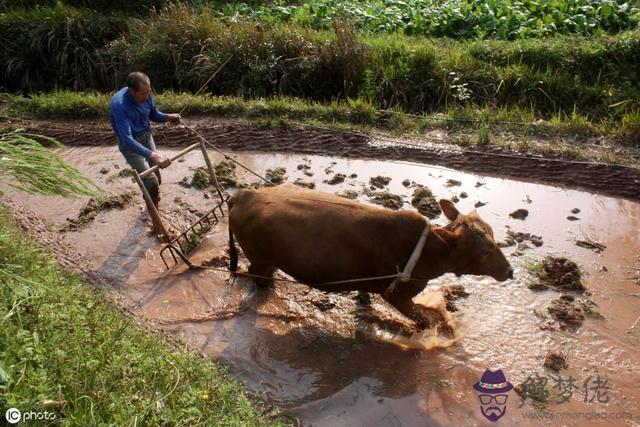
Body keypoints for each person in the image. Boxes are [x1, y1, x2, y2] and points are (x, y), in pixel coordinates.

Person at [109, 71, 181, 208]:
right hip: (130, 145)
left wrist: (168, 117)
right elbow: (127, 139)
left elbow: (153, 114)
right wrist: (153, 155)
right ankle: (155, 218)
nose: (147, 96)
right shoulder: (119, 106)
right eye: (143, 94)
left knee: (156, 174)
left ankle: (155, 205)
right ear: (132, 91)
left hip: (146, 136)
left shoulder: (145, 93)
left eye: (149, 92)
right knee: (150, 181)